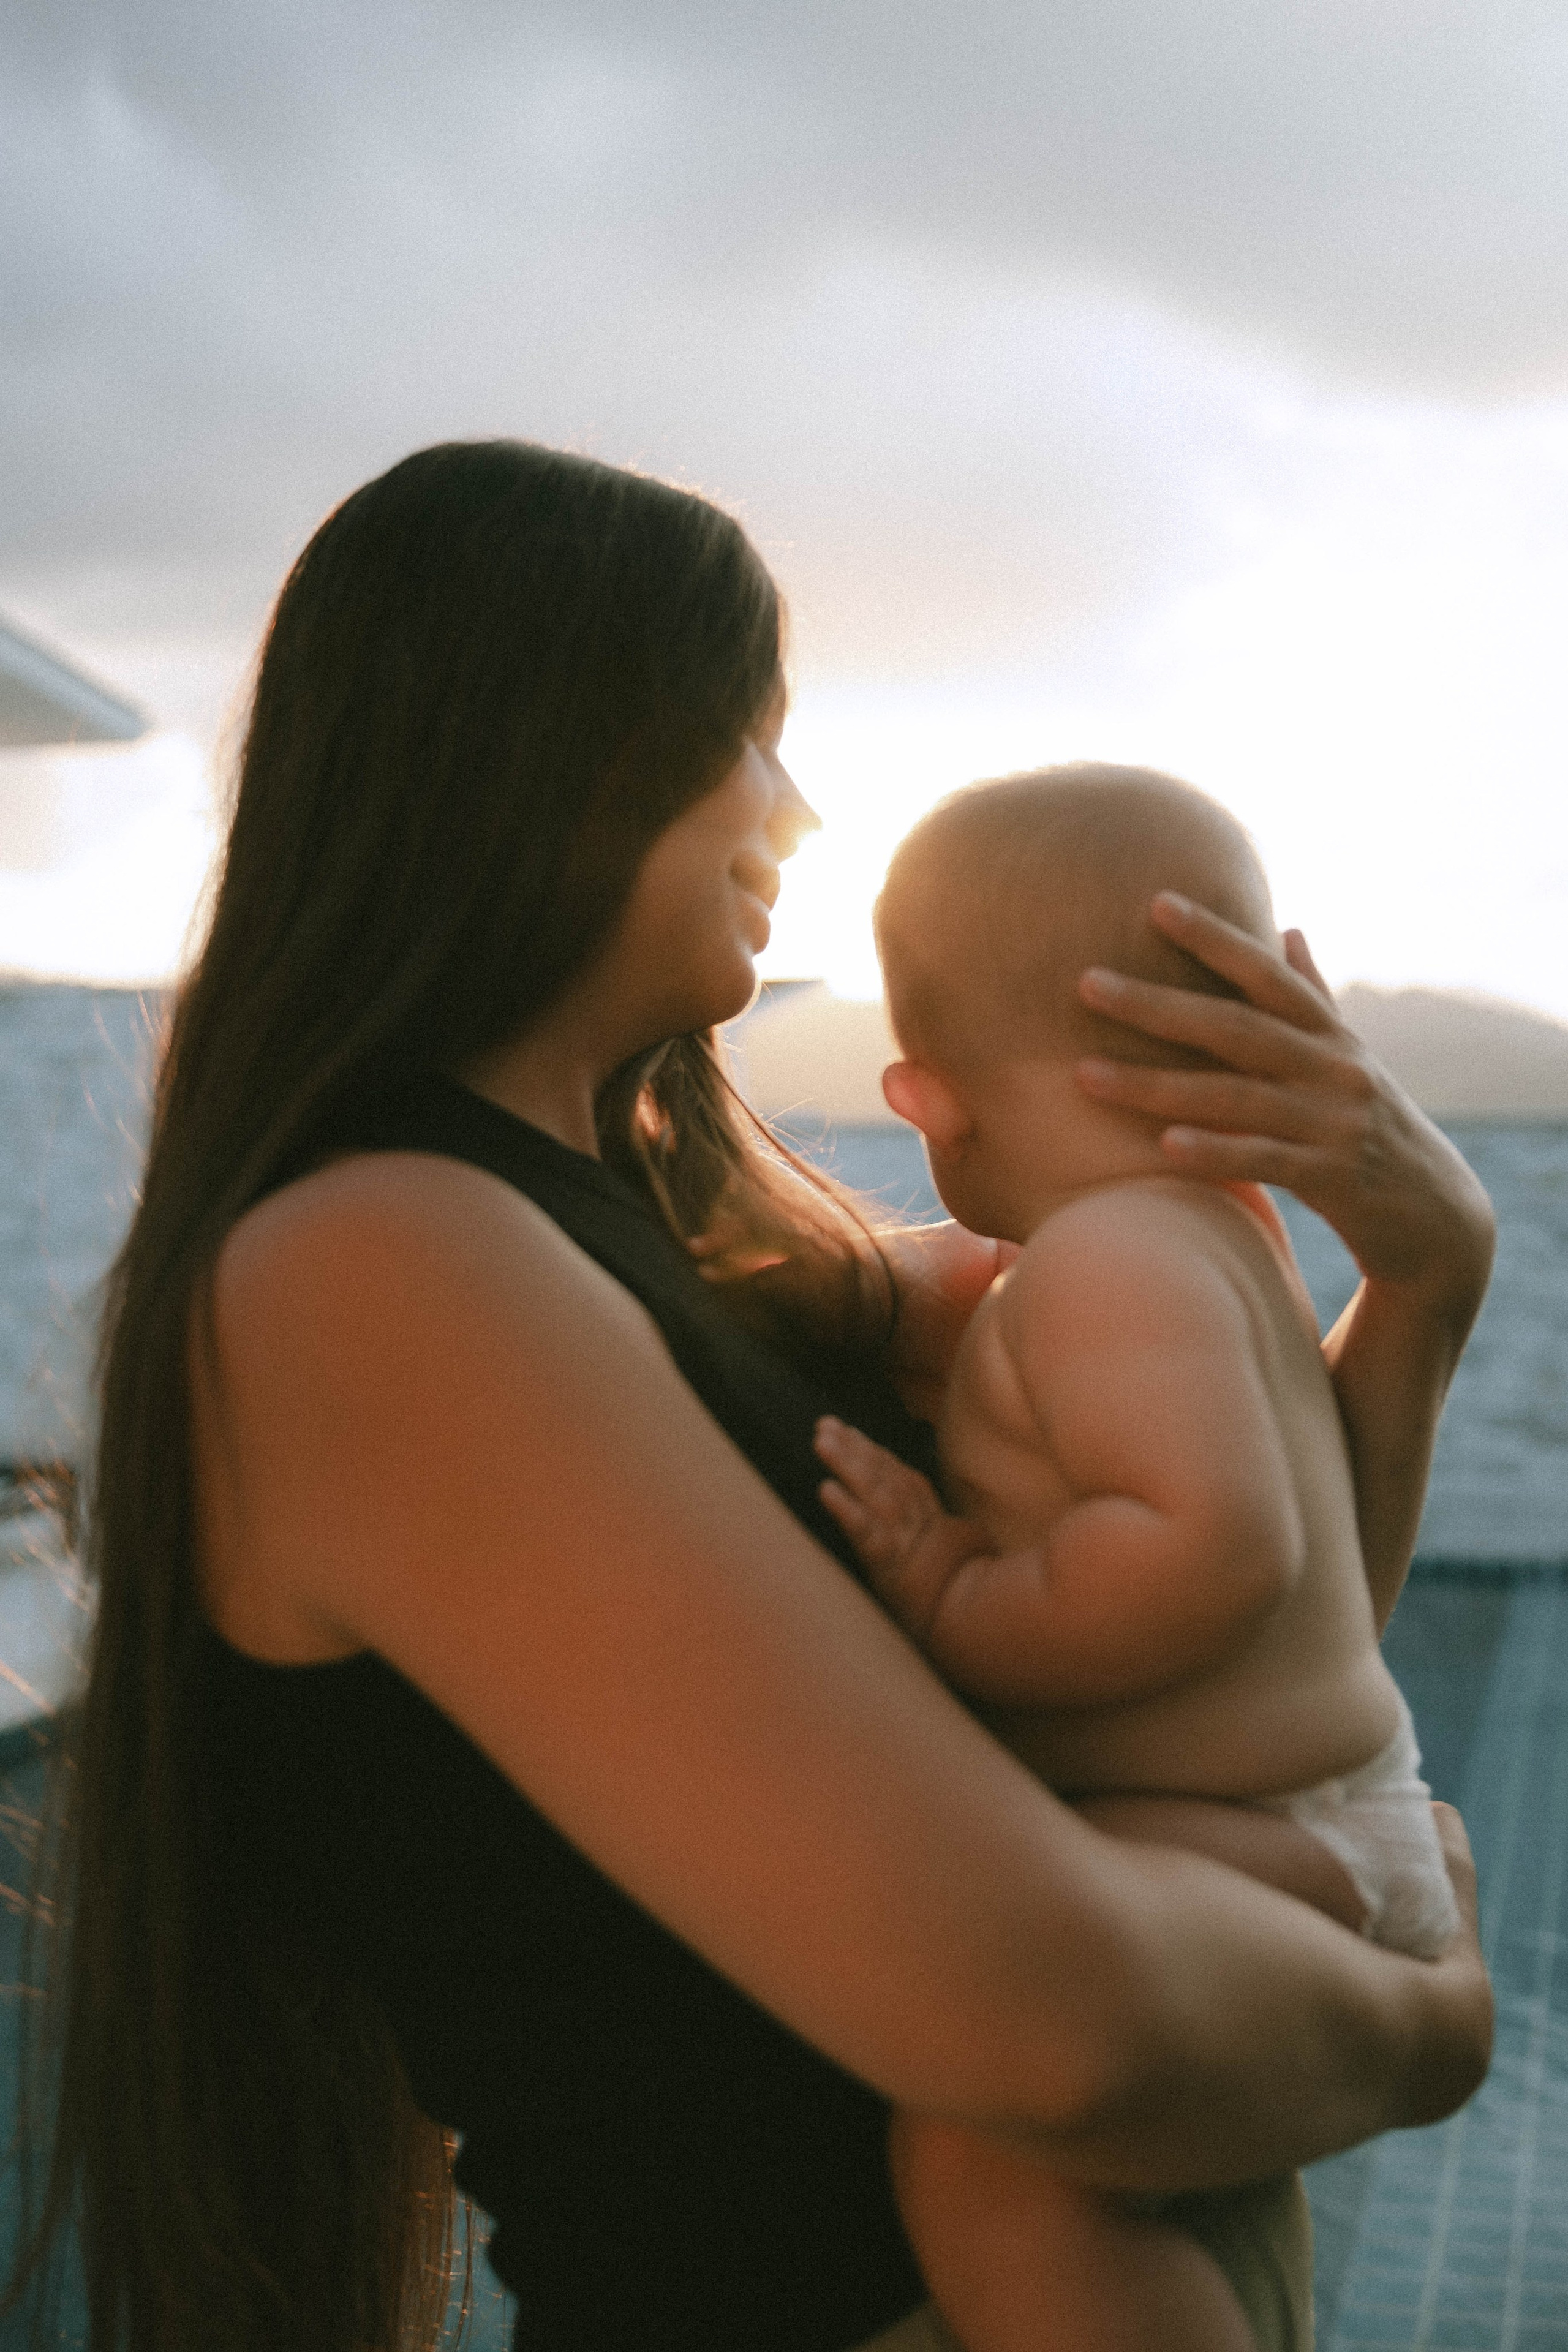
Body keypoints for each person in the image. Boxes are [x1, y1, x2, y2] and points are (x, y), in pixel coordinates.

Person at [2, 444, 1492, 2352]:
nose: (796, 807)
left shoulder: (704, 1246)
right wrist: (1422, 2009)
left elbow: (1272, 1644)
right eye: (750, 737)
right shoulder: (378, 1270)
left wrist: (1428, 1281)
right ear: (555, 754)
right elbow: (1048, 2023)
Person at [813, 764, 1472, 2352]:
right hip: (1300, 1828)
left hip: (1271, 1843)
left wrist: (956, 1595)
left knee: (986, 2160)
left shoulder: (1102, 1266)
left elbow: (1217, 1553)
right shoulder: (1226, 1225)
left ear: (928, 1101)